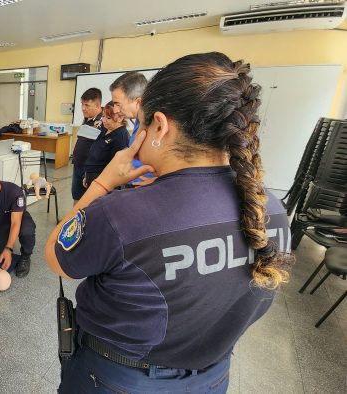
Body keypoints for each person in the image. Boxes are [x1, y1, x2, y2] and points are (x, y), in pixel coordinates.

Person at [46, 52, 293, 393]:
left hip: (117, 379)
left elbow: (56, 256)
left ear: (159, 126)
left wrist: (104, 183)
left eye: (143, 124)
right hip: (212, 378)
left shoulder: (120, 213)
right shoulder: (272, 209)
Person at [109, 71, 155, 187]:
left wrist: (158, 180)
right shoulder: (138, 121)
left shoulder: (155, 126)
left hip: (145, 187)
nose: (115, 110)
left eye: (118, 104)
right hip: (132, 182)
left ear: (137, 102)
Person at [82, 101, 128, 189]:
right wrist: (87, 175)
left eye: (108, 118)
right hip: (92, 177)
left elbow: (116, 168)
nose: (103, 120)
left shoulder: (120, 137)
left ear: (120, 118)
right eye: (103, 116)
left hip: (103, 183)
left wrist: (101, 184)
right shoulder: (105, 129)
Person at [72, 88, 107, 202]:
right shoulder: (87, 119)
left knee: (89, 200)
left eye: (87, 105)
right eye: (82, 104)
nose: (83, 108)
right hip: (78, 165)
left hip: (90, 169)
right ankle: (75, 219)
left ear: (97, 105)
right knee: (77, 196)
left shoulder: (105, 121)